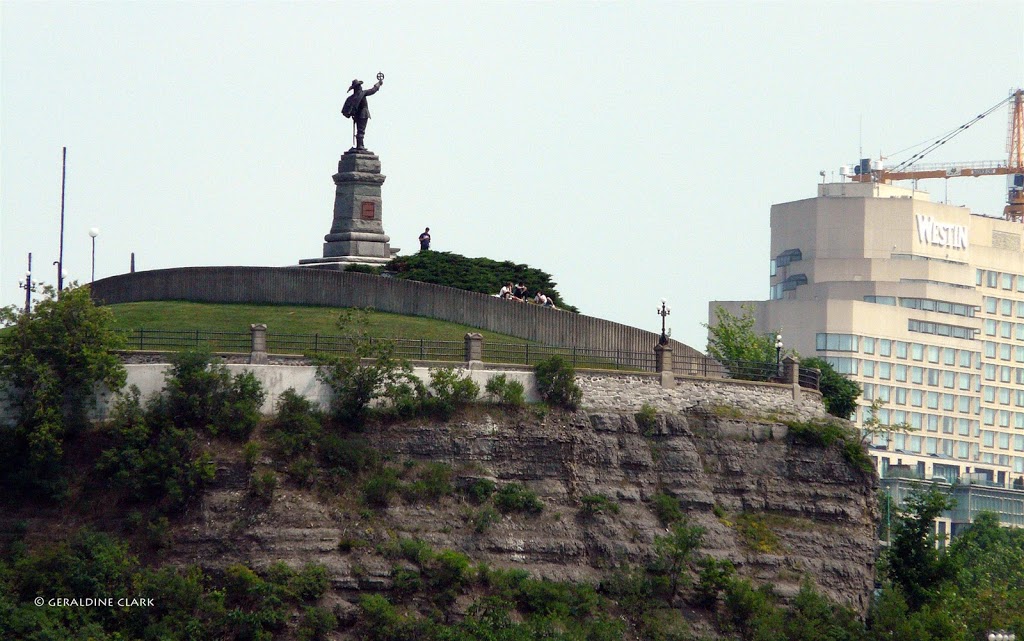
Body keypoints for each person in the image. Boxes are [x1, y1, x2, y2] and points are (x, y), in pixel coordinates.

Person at [341, 74, 383, 150]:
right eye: (360, 86)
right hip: (363, 114)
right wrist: (379, 84)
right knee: (361, 130)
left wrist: (351, 114)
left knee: (360, 130)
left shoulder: (351, 97)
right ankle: (360, 146)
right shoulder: (362, 93)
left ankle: (360, 145)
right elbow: (373, 90)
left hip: (357, 116)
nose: (361, 87)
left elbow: (345, 111)